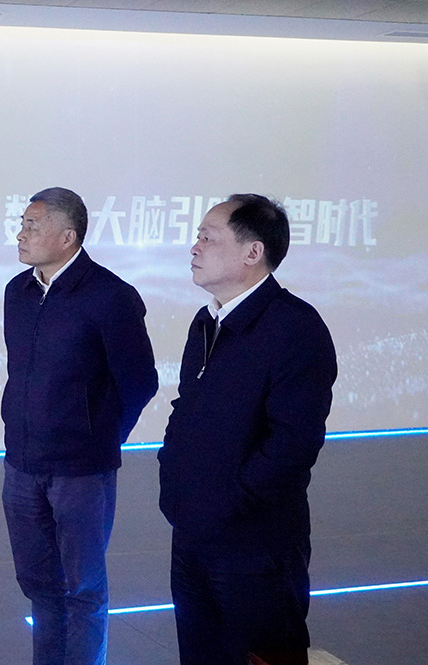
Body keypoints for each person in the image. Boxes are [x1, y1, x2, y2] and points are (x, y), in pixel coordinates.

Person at [158, 194, 336, 665]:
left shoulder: (296, 328)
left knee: (263, 655)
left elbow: (293, 443)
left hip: (255, 545)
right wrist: (173, 478)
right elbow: (187, 407)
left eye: (208, 237)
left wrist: (232, 500)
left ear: (253, 252)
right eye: (197, 236)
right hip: (193, 533)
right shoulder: (207, 321)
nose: (194, 246)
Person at [1, 187, 157, 665]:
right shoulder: (17, 292)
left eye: (32, 226)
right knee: (39, 584)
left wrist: (100, 438)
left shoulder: (111, 296)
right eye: (22, 225)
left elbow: (139, 381)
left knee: (83, 587)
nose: (21, 234)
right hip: (21, 466)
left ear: (68, 237)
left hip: (82, 472)